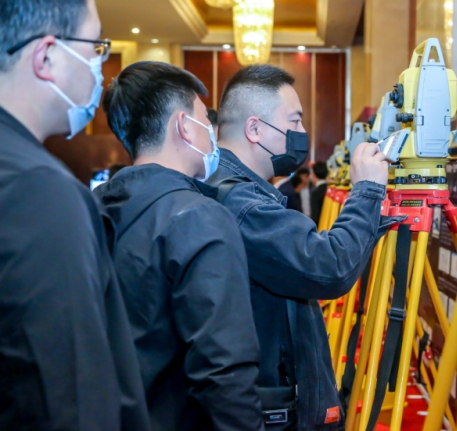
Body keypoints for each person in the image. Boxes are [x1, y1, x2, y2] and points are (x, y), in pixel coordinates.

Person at [208, 64, 396, 430]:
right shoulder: (242, 203)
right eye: (294, 121)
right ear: (254, 129)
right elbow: (329, 267)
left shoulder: (234, 189)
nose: (302, 133)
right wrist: (368, 191)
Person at [0, 0, 150, 429]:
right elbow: (71, 395)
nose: (100, 67)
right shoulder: (41, 192)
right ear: (47, 56)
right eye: (96, 47)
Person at [94, 61, 263, 431]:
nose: (212, 135)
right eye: (205, 120)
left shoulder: (92, 208)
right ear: (184, 126)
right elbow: (224, 368)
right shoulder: (200, 217)